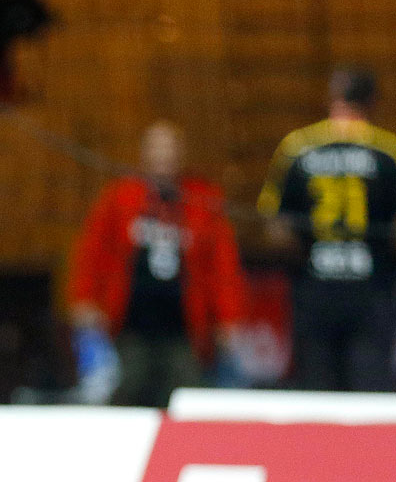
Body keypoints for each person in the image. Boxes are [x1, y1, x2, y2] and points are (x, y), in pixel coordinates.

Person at [66, 120, 247, 407]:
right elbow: (93, 253)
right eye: (157, 150)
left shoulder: (202, 199)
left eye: (170, 150)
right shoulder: (121, 197)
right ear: (144, 154)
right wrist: (84, 300)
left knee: (188, 392)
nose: (164, 158)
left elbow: (222, 267)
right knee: (127, 388)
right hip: (130, 325)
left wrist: (229, 319)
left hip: (184, 327)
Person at [259, 66, 396, 391]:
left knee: (317, 397)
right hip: (371, 293)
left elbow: (274, 228)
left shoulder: (299, 147)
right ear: (373, 101)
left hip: (314, 292)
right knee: (369, 397)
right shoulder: (388, 152)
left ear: (332, 96)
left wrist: (309, 250)